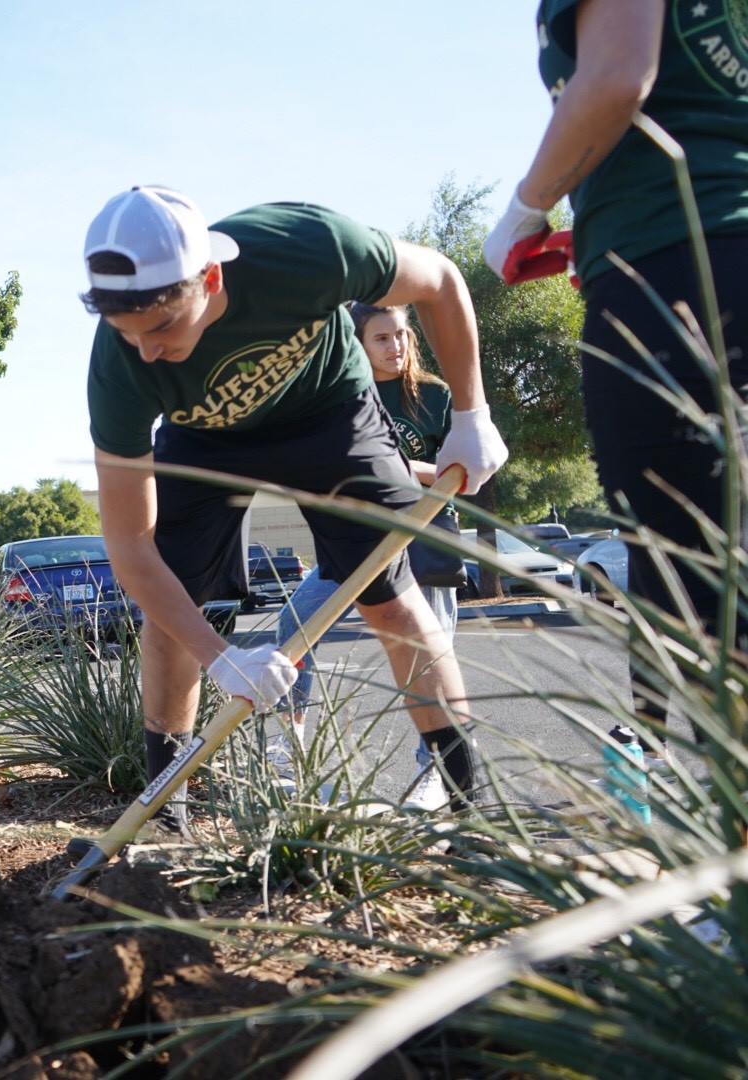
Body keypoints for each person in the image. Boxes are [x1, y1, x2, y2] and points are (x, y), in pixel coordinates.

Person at [82, 187, 508, 828]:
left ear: (212, 276)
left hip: (328, 411)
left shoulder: (306, 249)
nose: (147, 351)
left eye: (163, 327)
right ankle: (167, 809)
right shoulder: (121, 367)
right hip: (203, 439)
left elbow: (441, 281)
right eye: (128, 334)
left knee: (388, 594)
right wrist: (221, 659)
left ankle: (466, 795)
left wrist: (473, 415)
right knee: (173, 610)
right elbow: (133, 550)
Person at [484, 0, 748, 767]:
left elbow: (616, 77)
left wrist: (527, 205)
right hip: (695, 247)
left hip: (677, 267)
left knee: (696, 583)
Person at [273, 303, 463, 799]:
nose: (395, 346)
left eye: (400, 334)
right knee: (295, 625)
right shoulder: (342, 395)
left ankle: (434, 776)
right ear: (357, 344)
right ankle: (289, 746)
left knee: (429, 652)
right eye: (381, 338)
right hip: (356, 542)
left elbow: (459, 472)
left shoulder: (435, 396)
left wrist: (393, 462)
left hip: (423, 542)